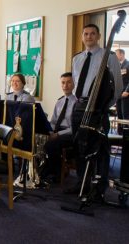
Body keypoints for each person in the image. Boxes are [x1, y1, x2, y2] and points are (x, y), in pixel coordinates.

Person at [67, 24, 122, 196]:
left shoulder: (109, 57)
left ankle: (100, 188)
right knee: (79, 146)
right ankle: (81, 183)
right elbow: (76, 83)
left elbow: (118, 87)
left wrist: (104, 105)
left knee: (101, 148)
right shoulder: (77, 59)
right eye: (86, 34)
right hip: (80, 106)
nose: (89, 36)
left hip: (98, 108)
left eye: (92, 34)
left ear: (98, 36)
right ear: (82, 37)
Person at [39, 72, 77, 183]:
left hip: (70, 133)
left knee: (52, 144)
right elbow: (54, 121)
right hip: (58, 130)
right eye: (63, 83)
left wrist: (57, 134)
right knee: (38, 137)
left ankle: (56, 172)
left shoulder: (77, 102)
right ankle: (43, 168)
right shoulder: (60, 102)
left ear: (74, 84)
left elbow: (73, 128)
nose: (65, 86)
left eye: (69, 82)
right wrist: (49, 131)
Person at [115, 49, 129, 133]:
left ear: (122, 54)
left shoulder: (128, 64)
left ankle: (126, 136)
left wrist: (127, 91)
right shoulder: (117, 66)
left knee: (125, 116)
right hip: (118, 94)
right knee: (119, 115)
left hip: (126, 94)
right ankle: (119, 135)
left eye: (116, 54)